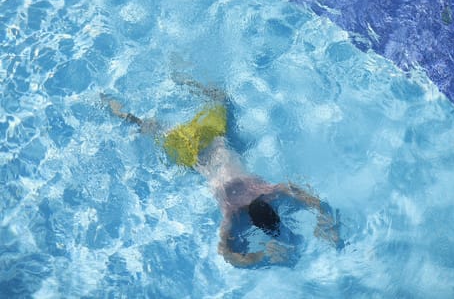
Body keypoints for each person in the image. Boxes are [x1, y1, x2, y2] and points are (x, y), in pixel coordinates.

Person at [101, 82, 341, 268]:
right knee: (146, 125)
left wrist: (324, 220)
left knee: (220, 99)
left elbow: (227, 253)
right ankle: (118, 109)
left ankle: (177, 82)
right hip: (194, 151)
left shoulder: (262, 194)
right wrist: (262, 257)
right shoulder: (237, 209)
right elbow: (227, 254)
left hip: (208, 141)